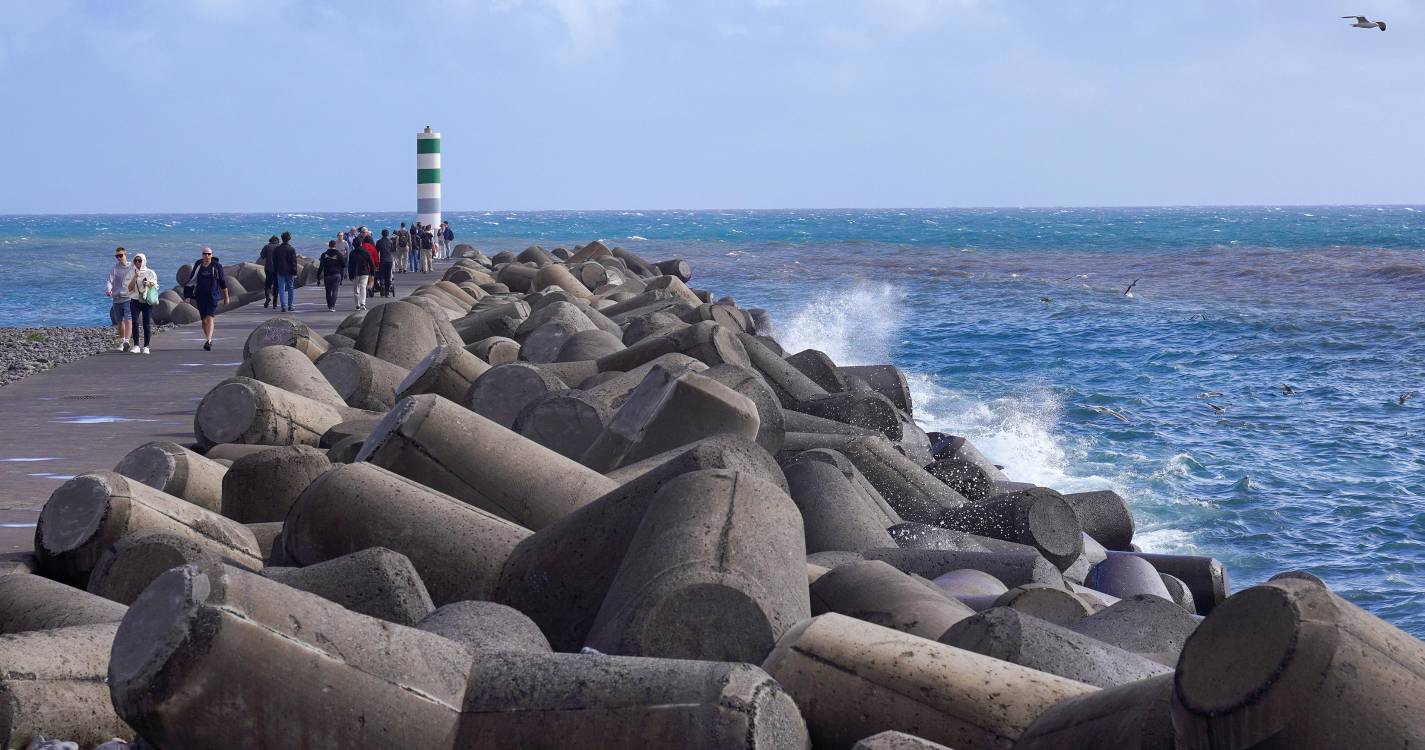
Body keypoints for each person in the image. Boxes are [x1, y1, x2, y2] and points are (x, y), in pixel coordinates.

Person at [184, 247, 229, 351]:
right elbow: (192, 280)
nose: (207, 256)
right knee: (204, 321)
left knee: (210, 317)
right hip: (200, 296)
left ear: (212, 255)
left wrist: (226, 297)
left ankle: (208, 340)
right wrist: (188, 296)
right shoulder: (198, 265)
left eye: (209, 254)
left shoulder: (216, 266)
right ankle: (209, 339)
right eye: (205, 254)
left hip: (213, 296)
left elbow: (222, 282)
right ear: (202, 255)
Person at [126, 253, 158, 354]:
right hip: (135, 300)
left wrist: (148, 284)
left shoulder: (150, 272)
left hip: (146, 301)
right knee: (135, 322)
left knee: (146, 323)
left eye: (139, 260)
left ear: (144, 261)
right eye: (135, 261)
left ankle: (146, 346)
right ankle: (136, 345)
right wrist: (135, 276)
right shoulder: (131, 272)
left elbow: (156, 286)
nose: (137, 263)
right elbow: (129, 288)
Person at [105, 247, 134, 351]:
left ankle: (127, 341)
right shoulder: (115, 268)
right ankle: (122, 342)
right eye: (117, 256)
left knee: (128, 318)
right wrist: (109, 290)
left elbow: (140, 275)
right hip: (116, 298)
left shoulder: (132, 266)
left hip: (128, 298)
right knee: (119, 321)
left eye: (120, 255)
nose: (119, 258)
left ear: (125, 254)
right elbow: (109, 281)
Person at [348, 232, 376, 310]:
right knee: (363, 287)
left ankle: (357, 304)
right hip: (365, 272)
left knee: (356, 289)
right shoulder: (366, 252)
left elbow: (350, 265)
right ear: (360, 244)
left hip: (355, 273)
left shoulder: (352, 253)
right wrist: (372, 273)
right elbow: (371, 263)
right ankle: (363, 304)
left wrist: (350, 274)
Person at [272, 231, 298, 312]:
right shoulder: (291, 249)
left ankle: (283, 306)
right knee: (290, 288)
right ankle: (290, 306)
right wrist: (295, 272)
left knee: (281, 289)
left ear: (282, 239)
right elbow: (293, 262)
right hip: (290, 271)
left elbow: (274, 260)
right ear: (289, 239)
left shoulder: (277, 249)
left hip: (280, 271)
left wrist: (276, 270)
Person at [318, 240, 345, 311]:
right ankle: (332, 306)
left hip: (327, 275)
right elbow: (343, 265)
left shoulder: (324, 255)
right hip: (336, 274)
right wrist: (342, 276)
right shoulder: (339, 254)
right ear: (335, 246)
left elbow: (321, 266)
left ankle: (329, 306)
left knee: (328, 291)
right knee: (335, 291)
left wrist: (318, 276)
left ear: (329, 246)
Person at [258, 235, 280, 308]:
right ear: (277, 240)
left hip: (268, 268)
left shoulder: (267, 247)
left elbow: (262, 256)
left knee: (267, 285)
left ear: (270, 240)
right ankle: (275, 304)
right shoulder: (279, 247)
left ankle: (267, 298)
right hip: (278, 269)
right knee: (276, 286)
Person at [375, 229, 395, 296]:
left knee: (382, 275)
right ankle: (387, 291)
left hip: (382, 260)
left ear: (381, 234)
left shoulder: (379, 242)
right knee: (388, 275)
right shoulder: (390, 241)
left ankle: (382, 287)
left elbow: (376, 252)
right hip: (389, 260)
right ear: (388, 234)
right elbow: (392, 250)